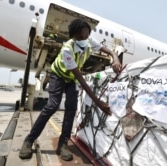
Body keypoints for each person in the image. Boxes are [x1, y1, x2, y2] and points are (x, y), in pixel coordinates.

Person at [19, 18, 122, 161]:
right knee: (52, 105)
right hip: (59, 75)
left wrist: (115, 58)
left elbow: (109, 51)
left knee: (71, 108)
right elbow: (80, 79)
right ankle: (29, 140)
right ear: (74, 36)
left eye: (86, 36)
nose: (85, 39)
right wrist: (97, 102)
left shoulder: (88, 41)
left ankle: (63, 144)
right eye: (81, 37)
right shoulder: (68, 49)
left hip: (71, 78)